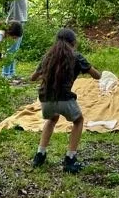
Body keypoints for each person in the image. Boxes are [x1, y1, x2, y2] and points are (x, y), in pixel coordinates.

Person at [30, 28, 101, 173]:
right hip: (64, 97)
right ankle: (70, 158)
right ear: (73, 42)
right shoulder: (76, 57)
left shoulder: (48, 57)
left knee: (51, 119)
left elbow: (33, 77)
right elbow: (97, 76)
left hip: (45, 98)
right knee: (78, 121)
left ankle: (40, 154)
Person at [2, 0, 28, 80]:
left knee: (15, 50)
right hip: (14, 23)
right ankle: (5, 74)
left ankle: (12, 73)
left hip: (21, 22)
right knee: (10, 49)